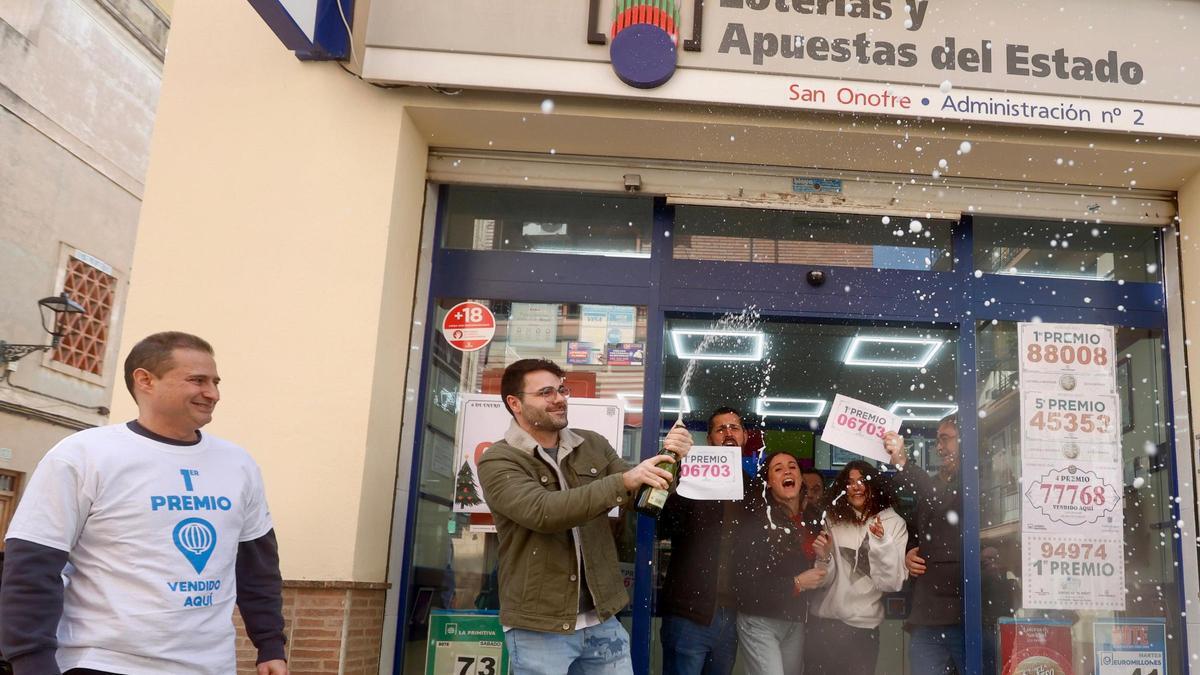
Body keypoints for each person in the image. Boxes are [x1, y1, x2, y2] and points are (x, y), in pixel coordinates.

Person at [0, 332, 287, 675]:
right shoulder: (83, 455)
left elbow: (257, 567)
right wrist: (31, 660)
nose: (213, 393)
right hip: (103, 663)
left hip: (211, 665)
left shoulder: (238, 464)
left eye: (215, 382)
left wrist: (270, 644)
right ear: (145, 380)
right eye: (197, 380)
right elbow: (33, 565)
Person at [476, 359, 693, 675]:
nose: (559, 399)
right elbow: (543, 511)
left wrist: (671, 458)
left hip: (601, 619)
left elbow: (638, 496)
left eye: (561, 390)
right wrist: (623, 481)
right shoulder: (499, 459)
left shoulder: (592, 444)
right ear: (515, 403)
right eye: (546, 392)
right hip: (538, 626)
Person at [657, 407, 748, 675]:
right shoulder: (689, 477)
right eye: (721, 429)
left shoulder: (752, 485)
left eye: (734, 428)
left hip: (732, 613)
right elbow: (663, 526)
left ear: (744, 436)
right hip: (688, 611)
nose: (728, 433)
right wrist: (676, 473)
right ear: (709, 439)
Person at [804, 460, 907, 675]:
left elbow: (891, 583)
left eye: (862, 481)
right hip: (823, 625)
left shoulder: (894, 523)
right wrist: (825, 557)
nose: (856, 487)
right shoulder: (833, 519)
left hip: (863, 629)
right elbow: (824, 580)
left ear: (873, 485)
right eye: (850, 483)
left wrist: (882, 542)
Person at [730, 451, 826, 675]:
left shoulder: (813, 520)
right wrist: (796, 583)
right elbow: (745, 583)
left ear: (800, 478)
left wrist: (826, 556)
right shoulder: (757, 520)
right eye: (778, 468)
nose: (787, 471)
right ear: (770, 483)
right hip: (759, 620)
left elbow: (821, 572)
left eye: (792, 467)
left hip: (795, 620)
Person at [884, 416, 964, 675]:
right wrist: (910, 551)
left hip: (966, 612)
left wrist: (904, 463)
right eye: (937, 440)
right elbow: (917, 528)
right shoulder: (938, 483)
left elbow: (942, 503)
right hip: (928, 612)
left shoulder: (979, 477)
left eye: (945, 439)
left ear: (968, 440)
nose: (939, 447)